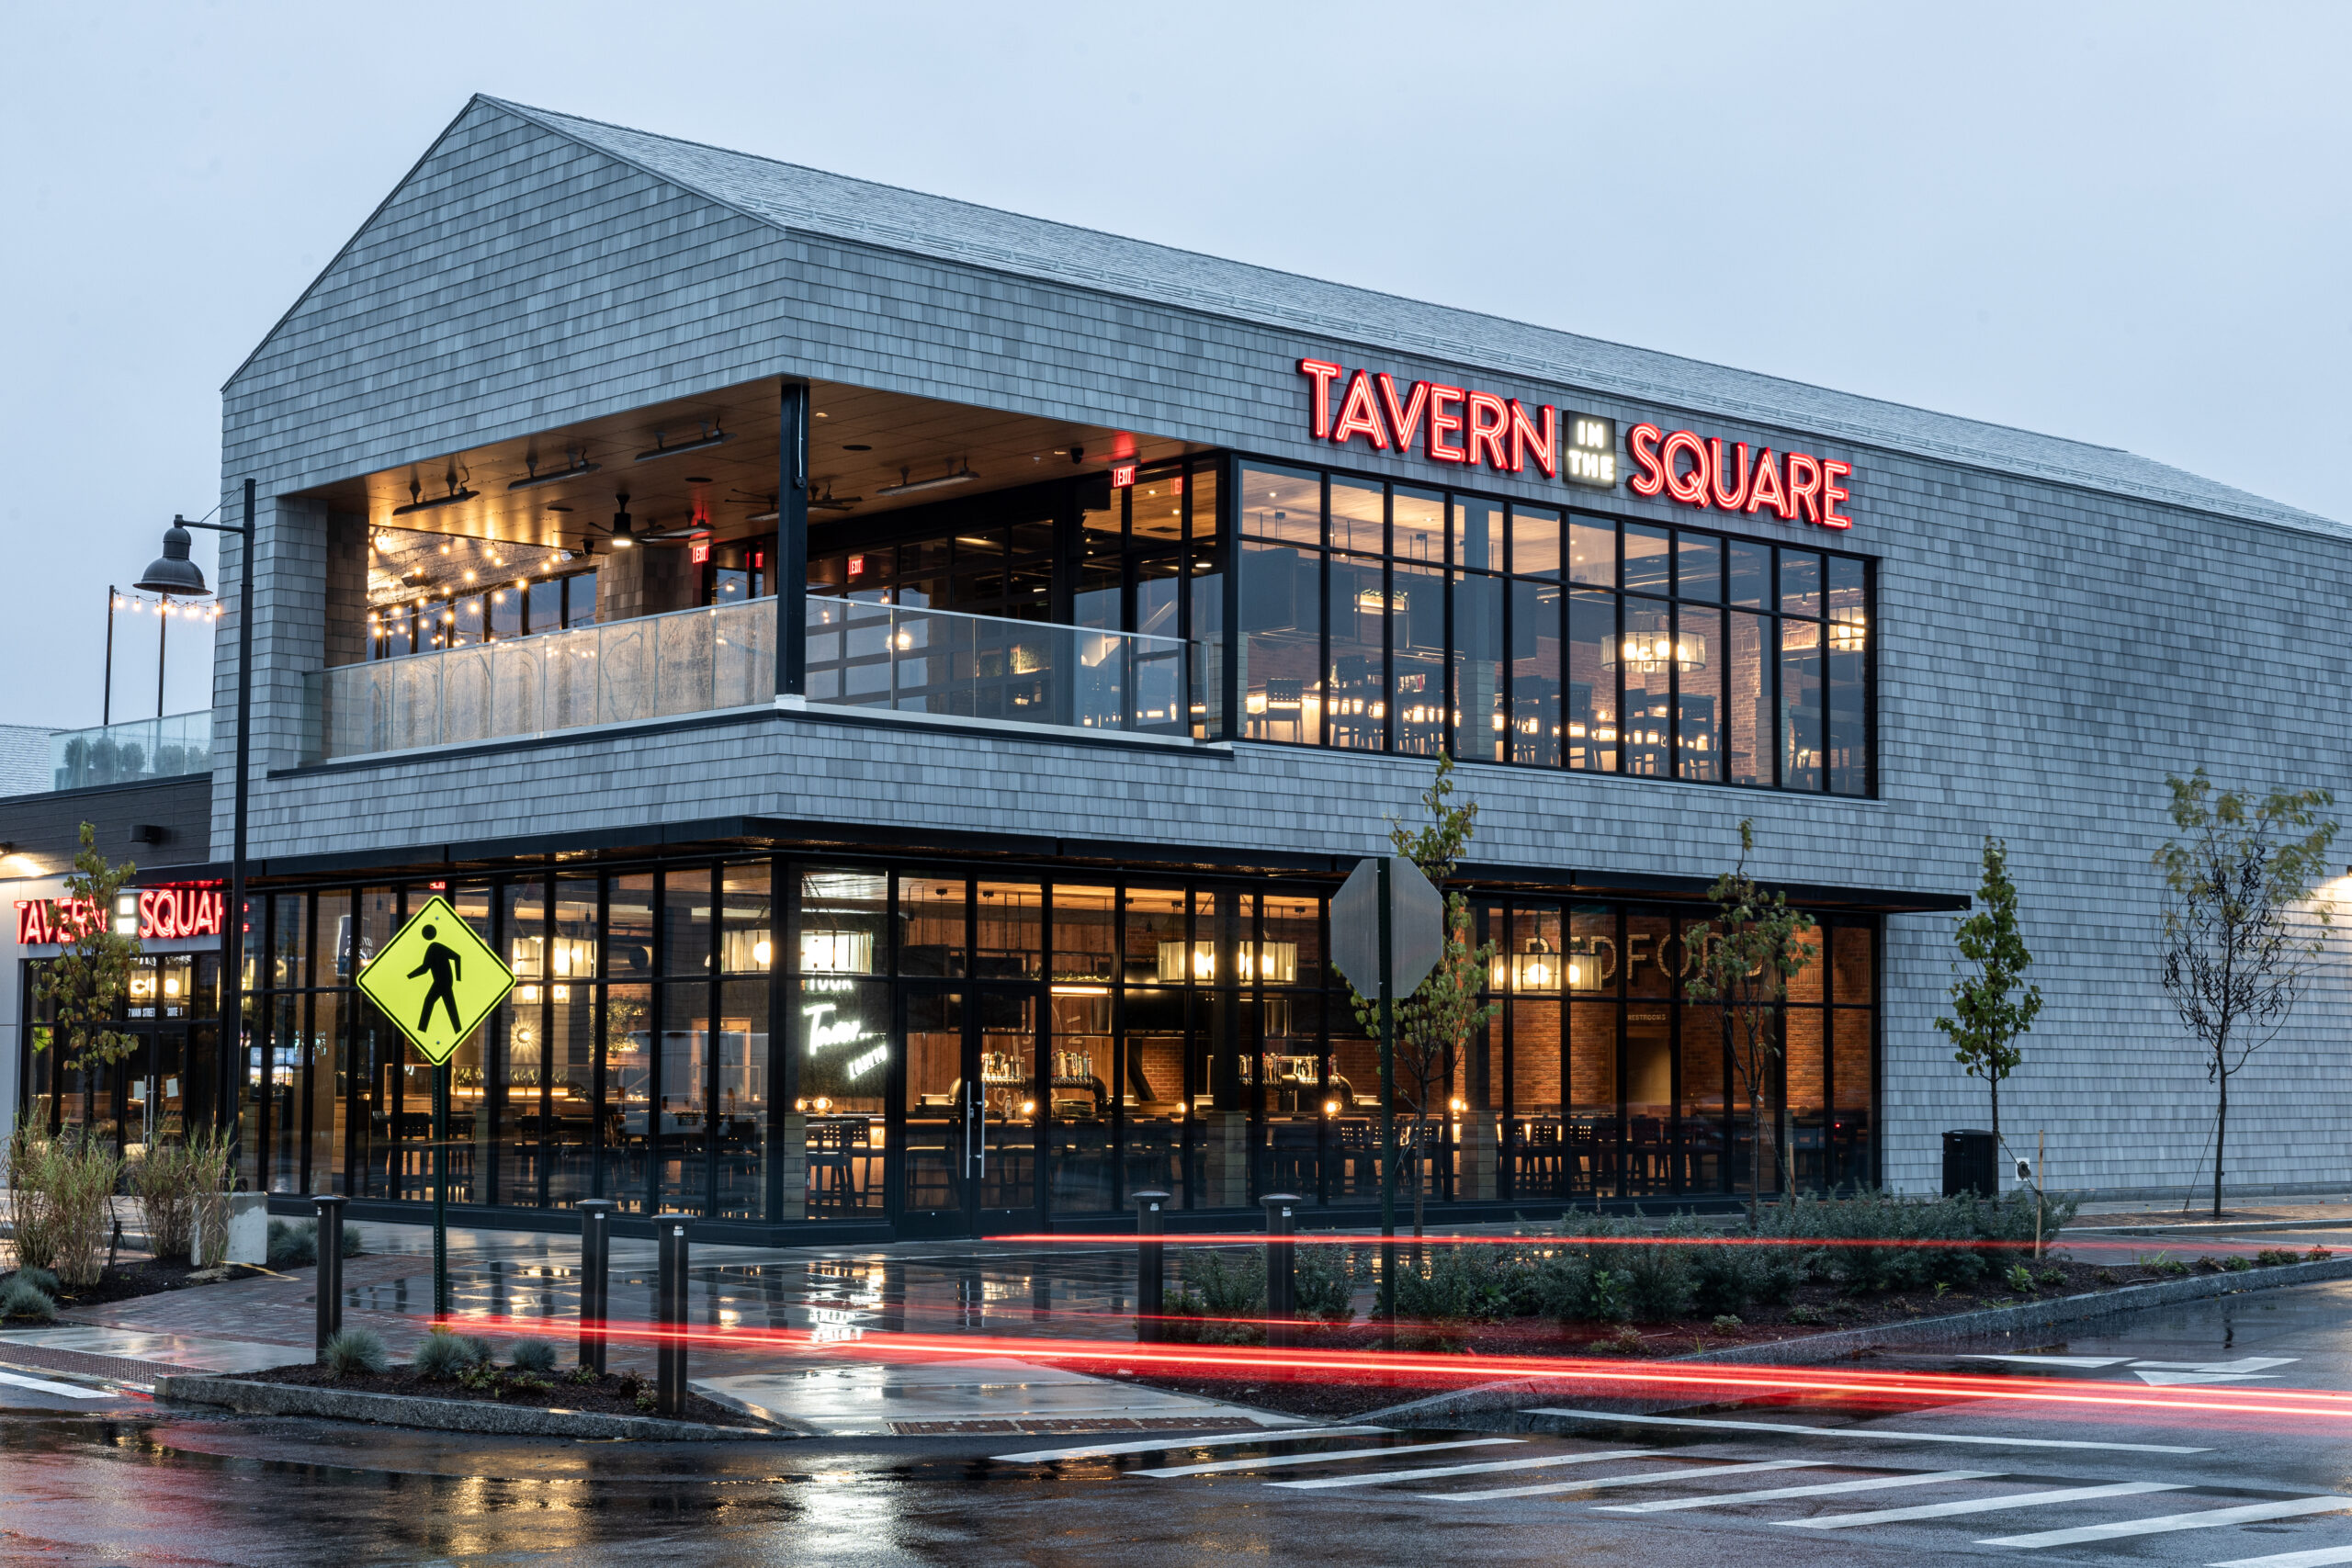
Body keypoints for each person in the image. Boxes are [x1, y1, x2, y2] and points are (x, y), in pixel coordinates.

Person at [409, 923, 464, 1037]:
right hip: (444, 981)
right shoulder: (435, 947)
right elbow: (426, 968)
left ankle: (422, 1030)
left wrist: (459, 978)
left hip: (442, 982)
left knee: (430, 1001)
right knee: (449, 1007)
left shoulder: (434, 948)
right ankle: (457, 1029)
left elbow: (425, 968)